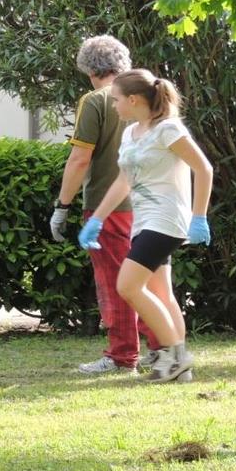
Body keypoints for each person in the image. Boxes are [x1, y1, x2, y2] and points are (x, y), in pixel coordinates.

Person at [78, 69, 213, 383]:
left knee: (127, 285)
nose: (113, 106)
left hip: (166, 220)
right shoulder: (131, 132)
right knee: (161, 292)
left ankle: (174, 356)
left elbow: (203, 169)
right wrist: (98, 218)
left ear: (134, 99)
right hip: (144, 221)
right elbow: (124, 180)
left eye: (116, 100)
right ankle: (181, 368)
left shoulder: (168, 129)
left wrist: (199, 216)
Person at [51, 35, 162, 375]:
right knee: (149, 281)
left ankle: (121, 355)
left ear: (88, 69)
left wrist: (62, 206)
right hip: (150, 203)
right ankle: (163, 348)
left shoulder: (96, 100)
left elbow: (79, 159)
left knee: (116, 282)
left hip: (108, 206)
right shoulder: (149, 96)